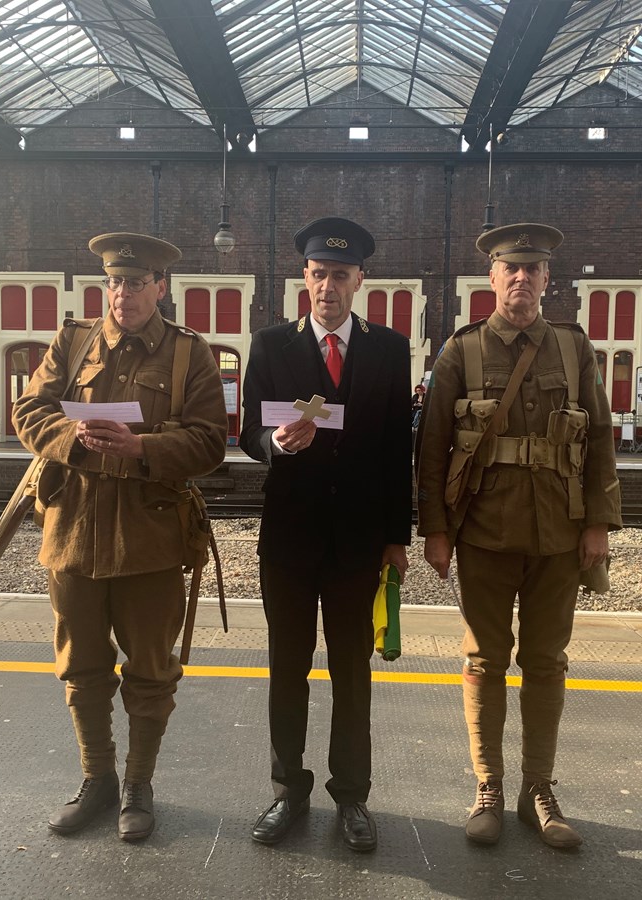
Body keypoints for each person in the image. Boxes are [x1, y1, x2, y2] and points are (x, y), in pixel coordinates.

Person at [11, 231, 227, 842]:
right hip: (73, 530)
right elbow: (29, 411)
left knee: (152, 670)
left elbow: (212, 440)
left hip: (151, 539)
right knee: (80, 666)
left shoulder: (190, 354)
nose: (122, 293)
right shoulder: (74, 342)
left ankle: (138, 784)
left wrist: (142, 448)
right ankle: (97, 778)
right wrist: (68, 437)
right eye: (113, 281)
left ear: (161, 288)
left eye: (135, 283)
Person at [417, 223, 622, 850]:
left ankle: (539, 789)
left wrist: (596, 523)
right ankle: (490, 787)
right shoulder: (462, 351)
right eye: (512, 269)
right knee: (483, 658)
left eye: (533, 270)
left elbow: (601, 438)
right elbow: (430, 451)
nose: (522, 279)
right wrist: (435, 530)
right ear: (493, 278)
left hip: (559, 533)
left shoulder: (572, 348)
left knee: (546, 662)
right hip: (482, 532)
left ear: (547, 280)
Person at [240, 217, 411, 854]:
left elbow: (400, 451)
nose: (328, 287)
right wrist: (275, 443)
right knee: (288, 668)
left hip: (359, 543)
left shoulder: (389, 351)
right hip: (289, 540)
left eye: (341, 276)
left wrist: (398, 537)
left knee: (351, 672)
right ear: (303, 279)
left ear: (360, 280)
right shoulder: (270, 345)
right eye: (318, 275)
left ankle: (353, 795)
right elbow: (249, 433)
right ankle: (288, 788)